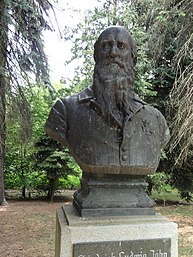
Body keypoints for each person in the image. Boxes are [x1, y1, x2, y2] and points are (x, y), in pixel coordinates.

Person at [45, 26, 170, 176]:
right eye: (106, 46)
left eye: (121, 46)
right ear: (96, 55)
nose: (113, 53)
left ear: (133, 57)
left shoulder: (155, 119)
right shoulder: (65, 110)